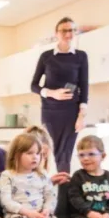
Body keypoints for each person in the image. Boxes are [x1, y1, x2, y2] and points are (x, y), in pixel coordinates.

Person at [30, 17, 89, 173]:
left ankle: (63, 184)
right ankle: (44, 182)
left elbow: (84, 86)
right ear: (56, 33)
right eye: (64, 30)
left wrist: (82, 116)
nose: (68, 34)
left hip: (71, 113)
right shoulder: (46, 57)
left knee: (65, 154)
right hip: (50, 112)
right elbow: (34, 86)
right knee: (48, 150)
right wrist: (52, 93)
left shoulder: (81, 56)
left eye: (71, 30)